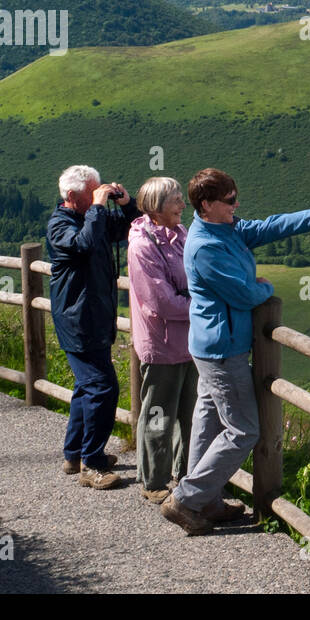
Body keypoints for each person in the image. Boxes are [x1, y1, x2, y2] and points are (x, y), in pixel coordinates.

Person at [160, 167, 310, 535]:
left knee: (208, 424)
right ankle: (187, 500)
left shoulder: (225, 229)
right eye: (230, 201)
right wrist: (264, 288)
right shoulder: (206, 246)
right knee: (243, 430)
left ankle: (204, 500)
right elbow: (242, 294)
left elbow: (273, 226)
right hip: (224, 349)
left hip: (212, 346)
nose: (237, 205)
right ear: (206, 204)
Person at [46, 164, 141, 490]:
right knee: (103, 387)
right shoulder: (59, 226)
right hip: (78, 321)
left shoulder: (92, 218)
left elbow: (133, 225)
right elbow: (83, 244)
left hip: (94, 318)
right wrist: (99, 207)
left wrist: (126, 202)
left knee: (87, 387)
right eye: (93, 191)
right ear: (72, 196)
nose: (99, 195)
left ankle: (74, 455)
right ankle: (93, 463)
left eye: (100, 189)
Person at [126, 176, 195, 504]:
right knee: (159, 414)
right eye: (176, 200)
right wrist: (204, 308)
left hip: (189, 340)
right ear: (155, 207)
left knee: (190, 412)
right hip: (162, 342)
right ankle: (154, 481)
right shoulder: (142, 245)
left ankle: (185, 477)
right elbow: (161, 303)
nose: (183, 204)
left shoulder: (179, 234)